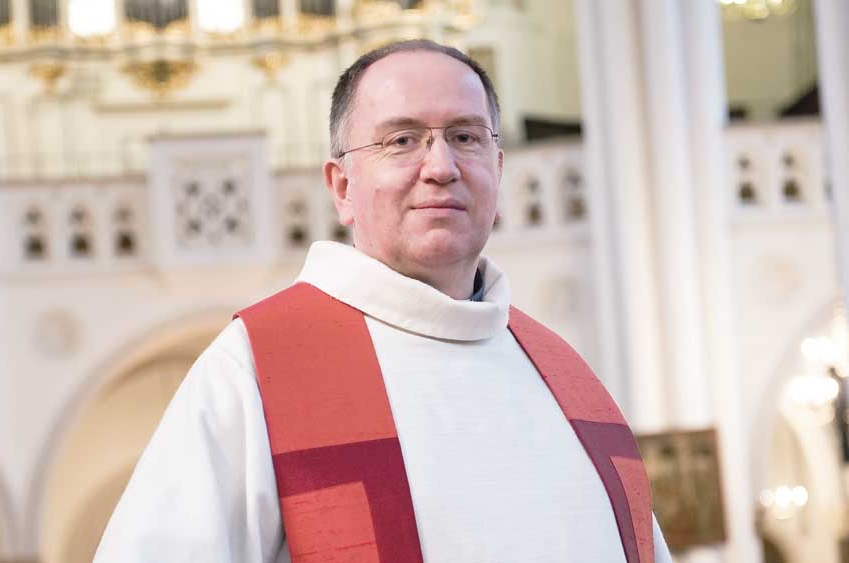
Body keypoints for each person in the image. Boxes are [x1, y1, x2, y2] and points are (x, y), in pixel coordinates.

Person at [94, 40, 674, 563]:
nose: (441, 167)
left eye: (466, 137)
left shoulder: (566, 377)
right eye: (403, 140)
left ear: (498, 170)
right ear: (342, 187)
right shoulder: (258, 368)